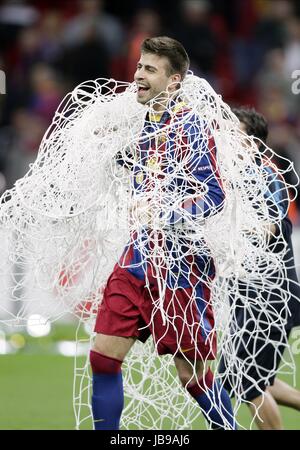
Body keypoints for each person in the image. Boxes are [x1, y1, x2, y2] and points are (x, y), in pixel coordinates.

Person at [90, 36, 236, 430]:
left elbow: (215, 195)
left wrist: (167, 211)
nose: (138, 74)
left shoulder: (191, 126)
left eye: (150, 69)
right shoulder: (142, 125)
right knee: (103, 358)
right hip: (139, 256)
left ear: (173, 82)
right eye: (139, 66)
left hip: (182, 264)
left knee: (195, 379)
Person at [219, 106, 300, 430]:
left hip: (271, 298)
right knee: (243, 376)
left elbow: (267, 228)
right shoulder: (229, 180)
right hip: (250, 298)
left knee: (245, 380)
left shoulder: (265, 175)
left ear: (251, 143)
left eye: (232, 135)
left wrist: (221, 227)